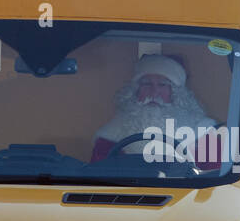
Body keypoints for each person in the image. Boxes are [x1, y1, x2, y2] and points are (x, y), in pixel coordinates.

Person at [91, 54, 221, 166]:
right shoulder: (112, 132)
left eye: (163, 85)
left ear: (176, 93)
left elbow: (212, 182)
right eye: (147, 84)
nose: (154, 92)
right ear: (136, 90)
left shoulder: (202, 131)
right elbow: (99, 175)